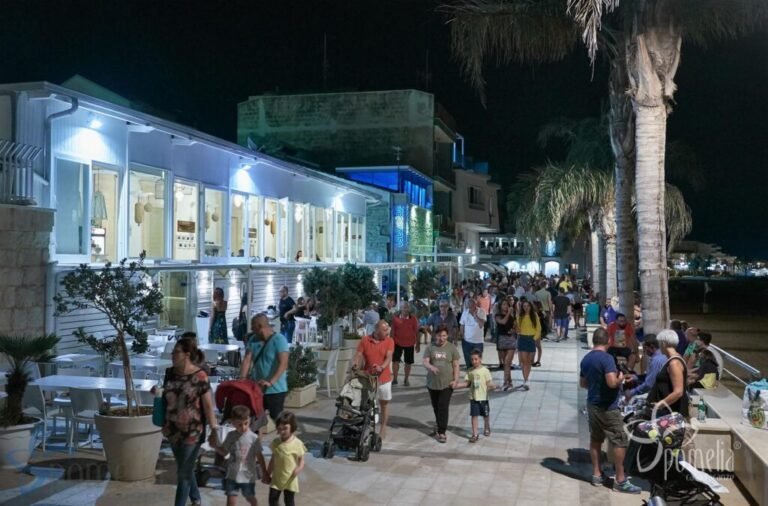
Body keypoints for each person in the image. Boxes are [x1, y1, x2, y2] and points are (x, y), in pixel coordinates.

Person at [580, 328, 641, 494]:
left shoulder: (586, 359)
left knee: (596, 439)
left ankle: (597, 475)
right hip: (608, 407)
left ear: (594, 341)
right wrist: (621, 378)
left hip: (592, 405)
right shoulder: (607, 359)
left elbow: (583, 384)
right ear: (608, 341)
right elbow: (612, 383)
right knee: (620, 440)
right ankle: (620, 480)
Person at [162, 337, 220, 506]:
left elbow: (208, 406)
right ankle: (196, 498)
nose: (172, 355)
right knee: (184, 468)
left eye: (176, 352)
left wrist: (214, 430)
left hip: (193, 432)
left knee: (183, 474)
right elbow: (166, 395)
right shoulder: (170, 373)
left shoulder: (200, 376)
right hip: (172, 429)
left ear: (187, 355)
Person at [212, 405, 268, 506]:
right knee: (231, 496)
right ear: (233, 423)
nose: (243, 427)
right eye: (239, 425)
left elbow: (259, 456)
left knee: (250, 497)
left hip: (247, 475)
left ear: (249, 420)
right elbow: (225, 452)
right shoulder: (231, 436)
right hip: (232, 473)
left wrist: (265, 472)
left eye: (246, 423)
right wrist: (215, 447)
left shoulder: (253, 438)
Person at [240, 313, 290, 423]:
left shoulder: (279, 340)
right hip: (258, 388)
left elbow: (283, 363)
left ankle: (286, 439)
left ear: (260, 326)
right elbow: (247, 359)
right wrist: (242, 379)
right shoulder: (253, 340)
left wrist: (270, 382)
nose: (252, 330)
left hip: (276, 389)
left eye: (253, 328)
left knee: (278, 420)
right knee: (256, 419)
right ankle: (257, 440)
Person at [354, 320, 395, 439]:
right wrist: (355, 364)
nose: (387, 332)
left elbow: (388, 357)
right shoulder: (365, 340)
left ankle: (383, 428)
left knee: (384, 404)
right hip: (368, 377)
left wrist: (382, 367)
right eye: (384, 330)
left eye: (388, 330)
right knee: (365, 403)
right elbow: (358, 354)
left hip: (384, 378)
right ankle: (365, 426)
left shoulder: (389, 341)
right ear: (377, 330)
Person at [422, 325, 460, 443]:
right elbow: (425, 362)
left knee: (443, 406)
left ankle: (442, 432)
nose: (441, 338)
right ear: (435, 335)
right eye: (439, 335)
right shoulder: (430, 348)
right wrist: (431, 367)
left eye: (444, 335)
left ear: (447, 336)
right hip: (432, 383)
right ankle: (439, 426)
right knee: (436, 407)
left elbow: (456, 365)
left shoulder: (451, 348)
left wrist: (456, 379)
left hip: (447, 384)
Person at [454, 349, 497, 443]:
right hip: (473, 398)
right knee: (474, 415)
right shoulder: (470, 371)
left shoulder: (485, 371)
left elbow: (489, 383)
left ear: (480, 359)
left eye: (476, 359)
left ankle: (486, 426)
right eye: (472, 359)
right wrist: (456, 386)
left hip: (484, 398)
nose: (474, 361)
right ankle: (475, 434)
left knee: (485, 415)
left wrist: (493, 386)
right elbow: (467, 383)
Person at [267, 411, 306, 506]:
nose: (282, 431)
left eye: (285, 428)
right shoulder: (276, 442)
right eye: (280, 428)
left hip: (290, 479)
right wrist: (267, 474)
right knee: (272, 500)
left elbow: (301, 461)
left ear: (292, 427)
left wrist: (298, 469)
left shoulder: (297, 444)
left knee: (289, 501)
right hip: (277, 478)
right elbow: (273, 459)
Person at [648, 329, 689, 417]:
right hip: (666, 411)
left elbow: (678, 392)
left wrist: (660, 404)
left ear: (663, 343)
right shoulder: (675, 359)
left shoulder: (674, 363)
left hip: (669, 413)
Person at [624, 334, 667, 401]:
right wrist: (635, 377)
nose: (644, 351)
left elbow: (649, 384)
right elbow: (651, 376)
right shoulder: (663, 355)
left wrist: (631, 393)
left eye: (645, 348)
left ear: (652, 347)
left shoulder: (656, 361)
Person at [391, 302, 419, 386]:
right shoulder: (395, 318)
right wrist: (391, 343)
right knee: (395, 361)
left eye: (407, 308)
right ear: (401, 308)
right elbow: (392, 332)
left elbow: (417, 331)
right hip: (397, 343)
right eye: (404, 307)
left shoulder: (413, 319)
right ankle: (395, 379)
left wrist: (418, 343)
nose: (405, 309)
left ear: (409, 309)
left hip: (410, 343)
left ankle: (406, 379)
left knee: (408, 362)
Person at [515, 300, 540, 391]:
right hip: (522, 338)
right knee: (524, 361)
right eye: (524, 306)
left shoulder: (534, 316)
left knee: (529, 361)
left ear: (530, 307)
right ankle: (526, 380)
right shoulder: (520, 316)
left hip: (531, 338)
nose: (526, 308)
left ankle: (527, 379)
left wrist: (534, 338)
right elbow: (517, 329)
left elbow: (538, 328)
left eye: (527, 306)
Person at [494, 299, 518, 391]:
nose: (505, 306)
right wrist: (509, 313)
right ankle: (510, 381)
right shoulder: (497, 316)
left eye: (507, 305)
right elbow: (503, 322)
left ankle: (505, 382)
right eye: (503, 304)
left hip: (511, 339)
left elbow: (516, 327)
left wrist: (514, 330)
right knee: (505, 363)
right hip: (502, 340)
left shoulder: (512, 316)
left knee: (508, 362)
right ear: (500, 306)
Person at [459, 298, 486, 369]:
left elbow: (481, 324)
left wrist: (475, 316)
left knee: (477, 362)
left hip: (478, 342)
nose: (470, 308)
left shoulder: (481, 311)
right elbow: (462, 325)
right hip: (467, 341)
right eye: (469, 306)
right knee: (468, 362)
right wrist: (462, 336)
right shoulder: (465, 312)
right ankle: (470, 377)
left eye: (472, 306)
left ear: (475, 305)